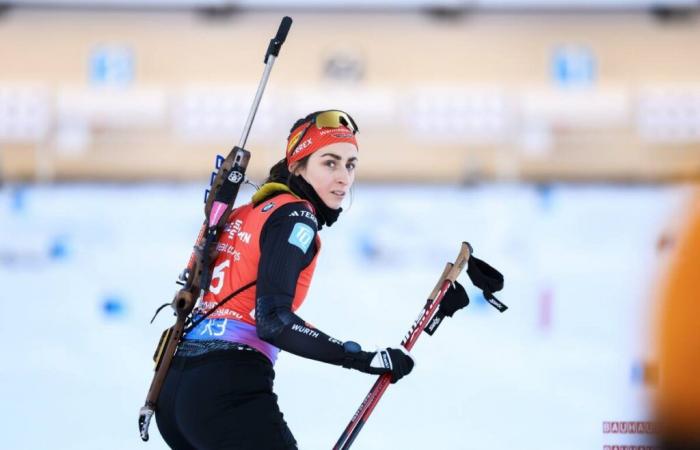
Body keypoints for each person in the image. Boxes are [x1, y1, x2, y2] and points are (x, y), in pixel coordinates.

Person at [154, 110, 469, 450]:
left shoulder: (245, 212)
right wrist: (362, 358)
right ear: (297, 165)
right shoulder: (296, 216)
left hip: (175, 391)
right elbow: (273, 321)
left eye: (350, 165)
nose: (343, 179)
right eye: (329, 163)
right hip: (226, 389)